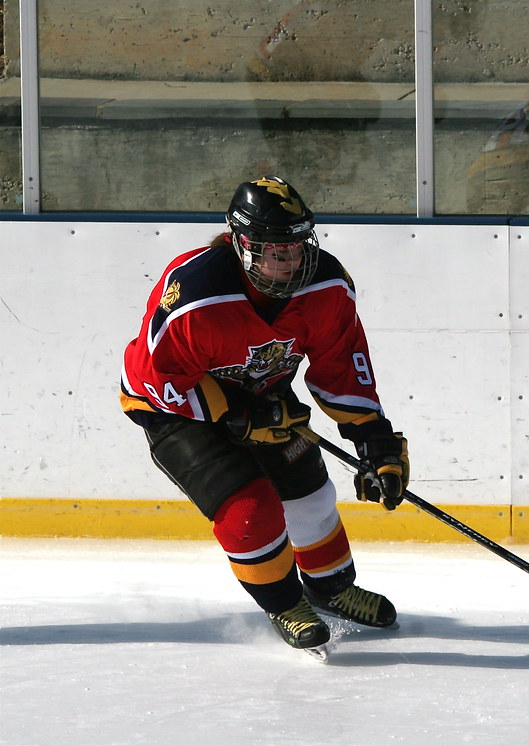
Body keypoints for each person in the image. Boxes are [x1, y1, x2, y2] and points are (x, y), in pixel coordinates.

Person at [120, 175, 410, 653]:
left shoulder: (326, 286)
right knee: (252, 511)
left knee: (312, 497)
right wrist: (239, 417)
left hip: (264, 398)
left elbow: (342, 364)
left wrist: (373, 437)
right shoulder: (196, 294)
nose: (292, 260)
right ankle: (284, 602)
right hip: (177, 410)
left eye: (297, 247)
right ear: (242, 245)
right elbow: (156, 380)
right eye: (278, 251)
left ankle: (332, 589)